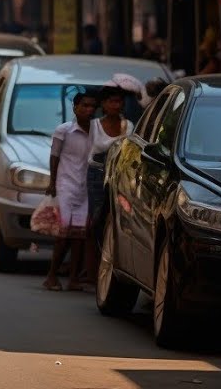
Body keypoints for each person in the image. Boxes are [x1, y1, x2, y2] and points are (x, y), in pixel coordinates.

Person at [45, 91, 97, 292]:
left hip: (85, 189)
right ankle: (51, 275)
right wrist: (52, 182)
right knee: (63, 234)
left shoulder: (96, 131)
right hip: (65, 186)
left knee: (79, 236)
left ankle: (74, 278)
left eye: (92, 106)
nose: (88, 110)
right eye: (84, 105)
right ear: (75, 108)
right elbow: (54, 156)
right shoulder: (64, 130)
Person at [83, 84, 133, 284]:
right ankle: (90, 271)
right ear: (103, 105)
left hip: (119, 177)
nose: (115, 105)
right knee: (94, 221)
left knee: (114, 222)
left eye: (118, 101)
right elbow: (85, 153)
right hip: (96, 175)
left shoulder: (128, 126)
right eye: (111, 101)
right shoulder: (93, 126)